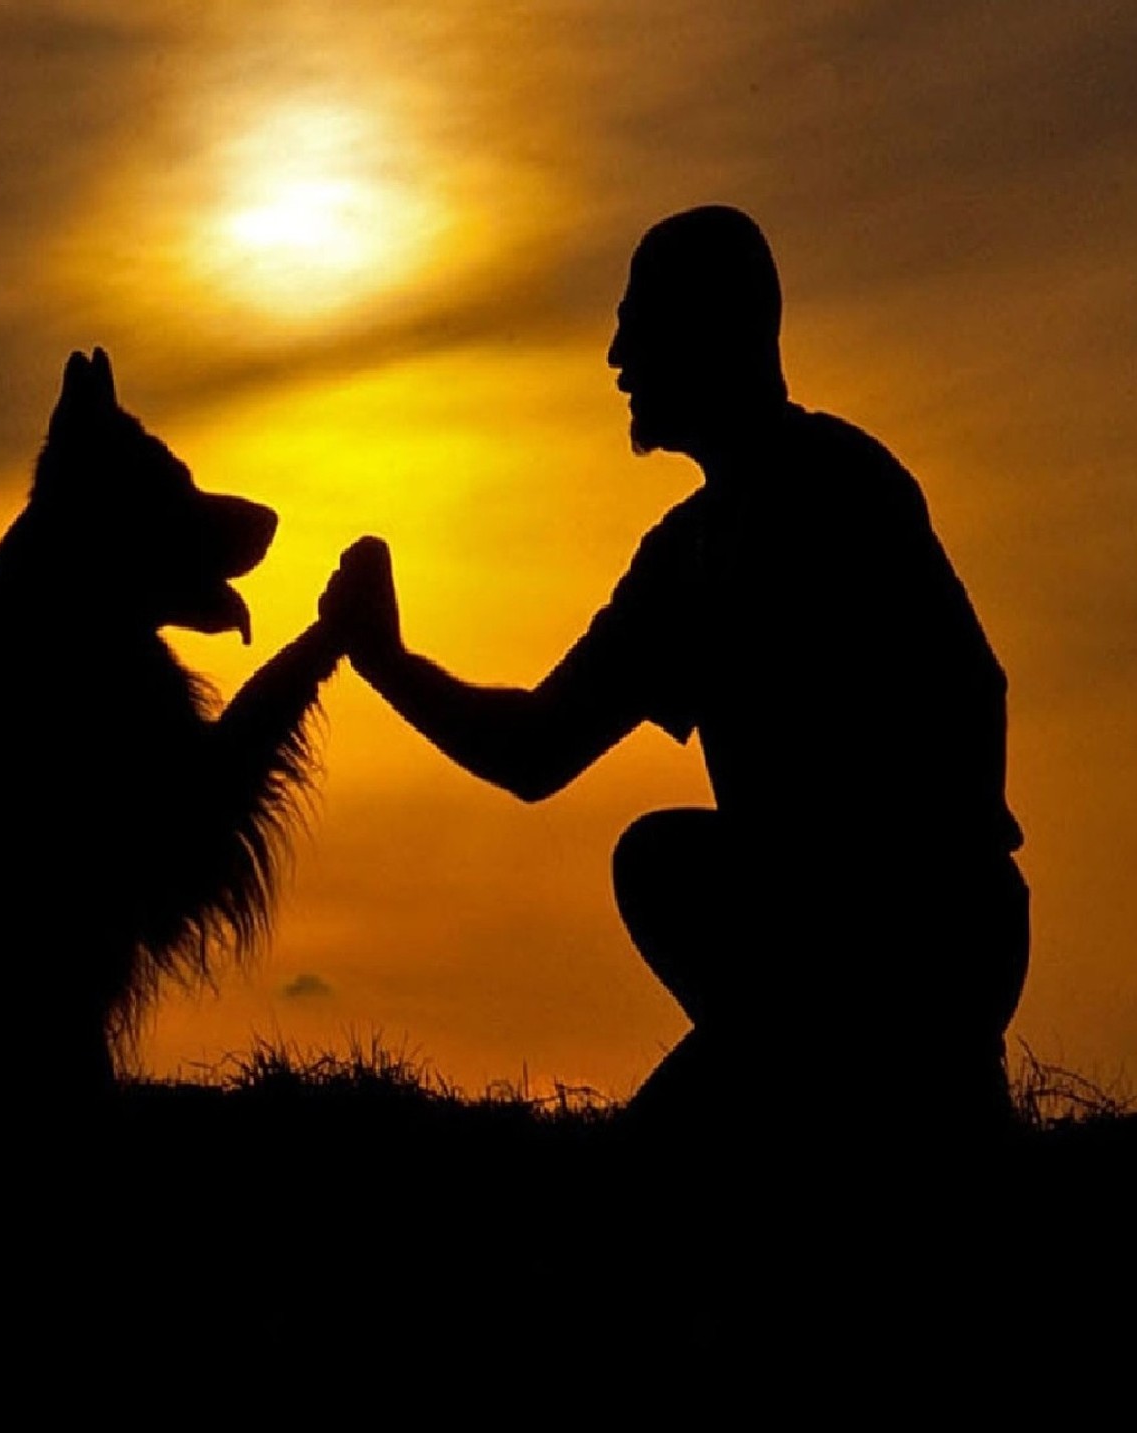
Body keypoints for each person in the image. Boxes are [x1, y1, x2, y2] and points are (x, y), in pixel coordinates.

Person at [319, 205, 1028, 1139]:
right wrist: (385, 661)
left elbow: (974, 696)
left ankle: (899, 1087)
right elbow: (537, 749)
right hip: (812, 955)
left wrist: (901, 896)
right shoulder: (683, 558)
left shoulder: (844, 486)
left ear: (710, 331)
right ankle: (842, 1086)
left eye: (637, 320)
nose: (615, 354)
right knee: (659, 861)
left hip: (930, 940)